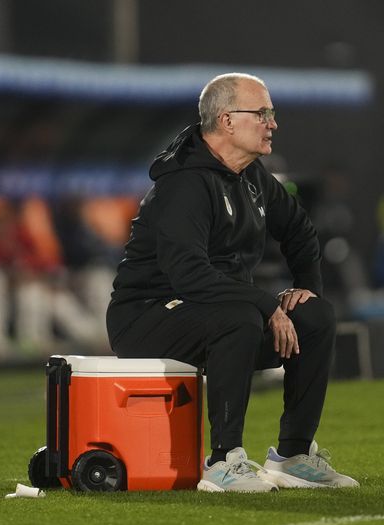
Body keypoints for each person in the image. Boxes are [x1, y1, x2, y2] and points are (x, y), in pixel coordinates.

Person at [106, 73, 358, 493]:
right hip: (148, 316)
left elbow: (299, 229)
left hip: (220, 311)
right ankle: (224, 461)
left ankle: (293, 457)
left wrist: (305, 288)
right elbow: (188, 274)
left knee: (314, 317)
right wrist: (266, 304)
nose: (272, 123)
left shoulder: (252, 176)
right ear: (226, 120)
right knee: (239, 317)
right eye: (262, 113)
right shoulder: (184, 183)